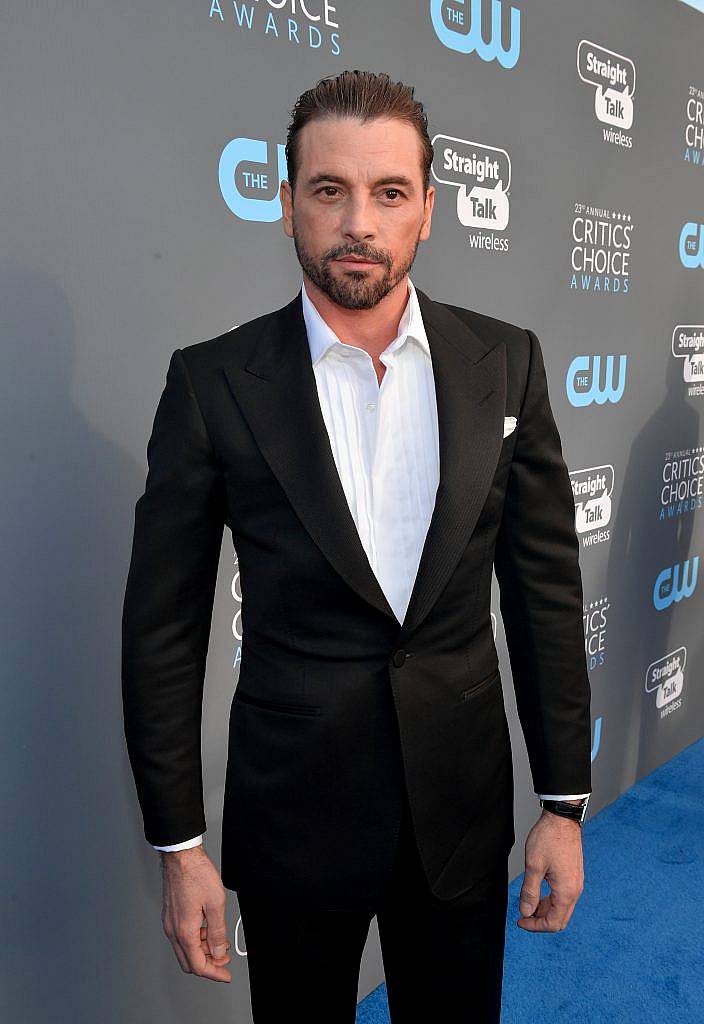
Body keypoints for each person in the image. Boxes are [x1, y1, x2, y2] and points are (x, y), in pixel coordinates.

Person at [121, 70, 592, 1023]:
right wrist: (180, 847)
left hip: (459, 813)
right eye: (329, 190)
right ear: (288, 202)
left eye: (389, 193)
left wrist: (563, 805)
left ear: (428, 209)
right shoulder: (215, 383)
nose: (357, 224)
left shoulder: (508, 363)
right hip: (292, 816)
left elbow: (545, 596)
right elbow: (164, 633)